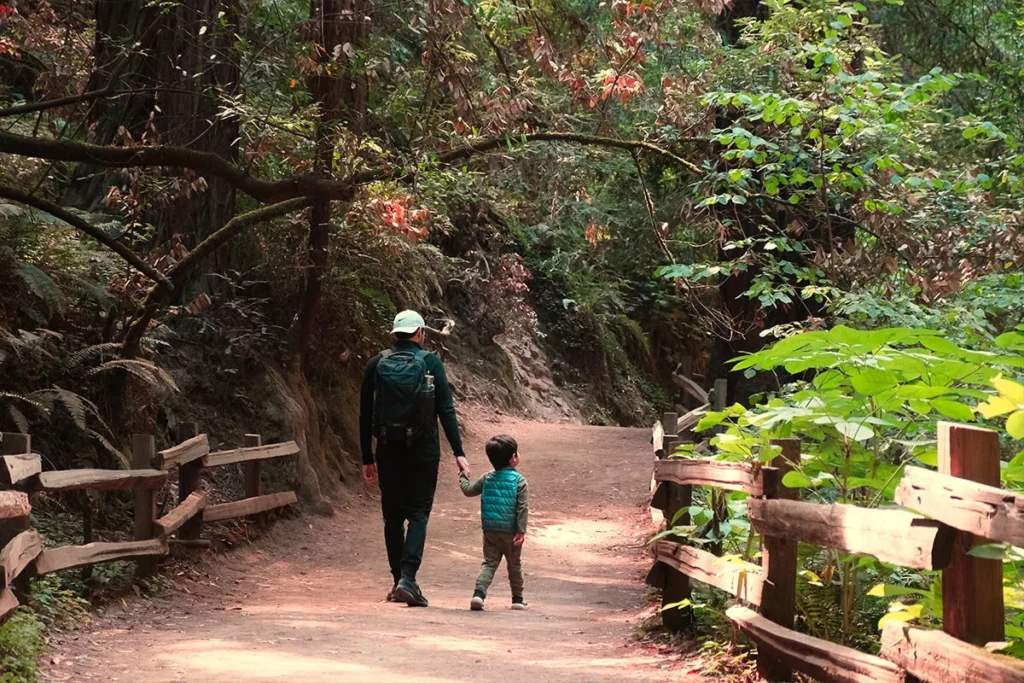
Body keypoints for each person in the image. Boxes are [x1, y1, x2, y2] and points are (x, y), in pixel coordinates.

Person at [361, 310, 469, 607]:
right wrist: (459, 452)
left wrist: (366, 457)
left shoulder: (375, 364)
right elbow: (445, 409)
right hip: (424, 452)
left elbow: (364, 414)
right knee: (418, 514)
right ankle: (408, 579)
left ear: (394, 335)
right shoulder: (431, 363)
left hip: (387, 450)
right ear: (420, 332)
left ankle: (398, 581)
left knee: (392, 518)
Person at [459, 434, 529, 611]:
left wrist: (463, 476)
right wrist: (521, 531)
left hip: (490, 530)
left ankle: (478, 595)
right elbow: (522, 509)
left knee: (489, 563)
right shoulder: (520, 481)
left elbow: (468, 491)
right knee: (514, 565)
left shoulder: (487, 478)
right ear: (513, 458)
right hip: (511, 531)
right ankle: (517, 599)